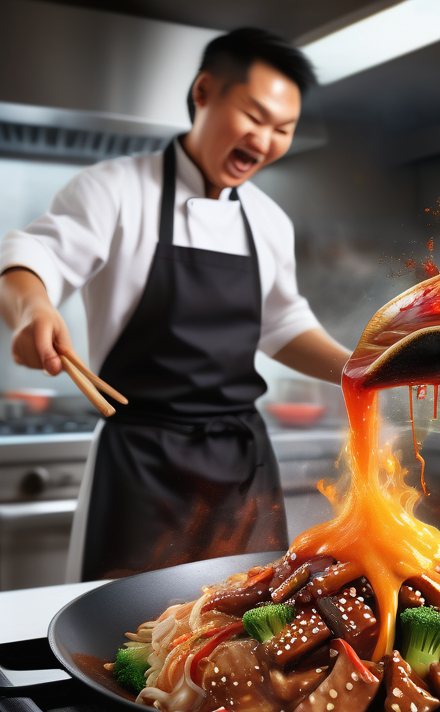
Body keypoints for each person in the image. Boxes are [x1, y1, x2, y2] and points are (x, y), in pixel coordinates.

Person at [0, 29, 350, 581]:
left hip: (242, 465)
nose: (264, 141)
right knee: (123, 638)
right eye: (254, 117)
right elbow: (34, 257)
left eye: (282, 129)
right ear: (204, 92)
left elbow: (282, 322)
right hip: (142, 465)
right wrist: (32, 311)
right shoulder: (113, 190)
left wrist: (358, 369)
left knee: (249, 631)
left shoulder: (267, 219)